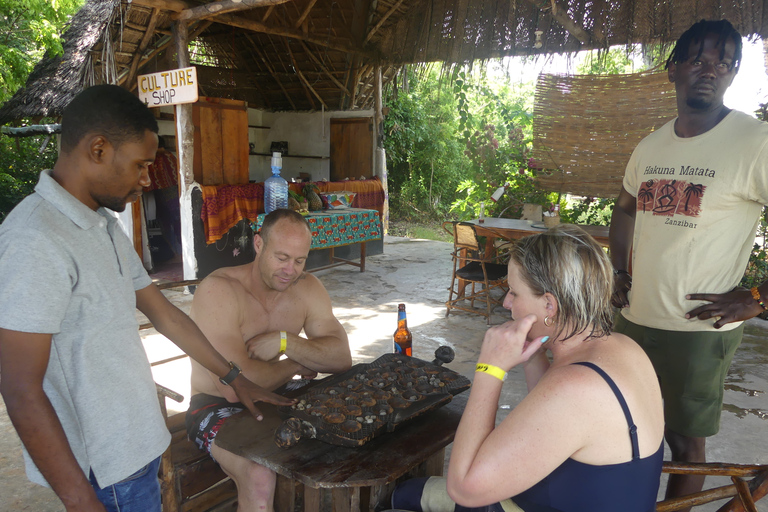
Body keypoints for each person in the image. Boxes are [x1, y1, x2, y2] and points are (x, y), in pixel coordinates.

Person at [0, 84, 291, 512]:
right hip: (104, 466)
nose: (145, 179)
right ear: (98, 149)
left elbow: (164, 315)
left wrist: (235, 379)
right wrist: (80, 500)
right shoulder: (35, 239)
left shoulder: (102, 225)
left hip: (136, 443)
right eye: (140, 165)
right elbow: (19, 386)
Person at [391, 225, 664, 512]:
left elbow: (464, 489)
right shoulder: (624, 346)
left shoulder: (576, 387)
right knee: (408, 493)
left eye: (514, 292)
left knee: (405, 498)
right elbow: (554, 417)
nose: (506, 303)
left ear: (549, 304)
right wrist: (534, 353)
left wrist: (490, 369)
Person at [609, 19, 768, 507]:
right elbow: (624, 208)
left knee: (685, 444)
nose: (711, 70)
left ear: (733, 73)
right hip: (634, 320)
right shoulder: (652, 145)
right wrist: (619, 272)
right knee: (627, 431)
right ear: (672, 70)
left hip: (698, 332)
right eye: (698, 58)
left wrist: (759, 297)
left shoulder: (754, 142)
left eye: (724, 62)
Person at [186, 208, 352, 512]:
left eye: (299, 261)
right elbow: (236, 387)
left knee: (349, 430)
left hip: (279, 395)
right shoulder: (219, 290)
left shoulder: (307, 288)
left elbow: (341, 357)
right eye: (282, 258)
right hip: (216, 406)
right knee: (259, 474)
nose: (290, 270)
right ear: (258, 244)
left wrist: (286, 341)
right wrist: (297, 363)